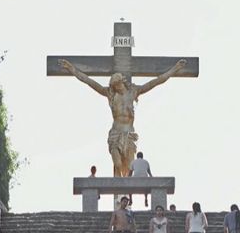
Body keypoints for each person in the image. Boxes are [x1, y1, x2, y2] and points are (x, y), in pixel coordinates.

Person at [58, 58, 186, 177]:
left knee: (129, 168)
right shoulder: (110, 94)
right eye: (113, 86)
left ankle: (126, 195)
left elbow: (156, 81)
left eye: (117, 85)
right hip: (115, 134)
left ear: (122, 82)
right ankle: (118, 189)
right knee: (118, 164)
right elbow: (89, 81)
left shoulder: (134, 92)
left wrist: (174, 69)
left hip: (129, 135)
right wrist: (72, 69)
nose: (115, 88)